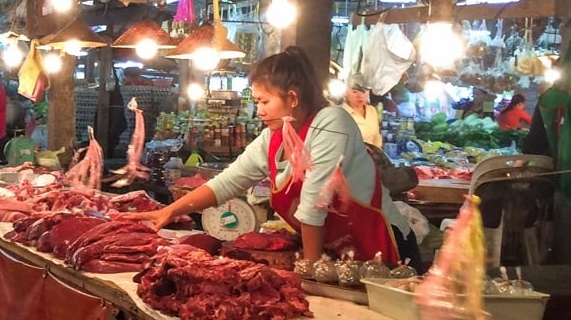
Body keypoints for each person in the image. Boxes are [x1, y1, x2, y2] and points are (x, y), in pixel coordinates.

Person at [145, 47, 420, 269]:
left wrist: (310, 272)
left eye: (264, 102)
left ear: (292, 98)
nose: (260, 111)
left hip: (385, 253)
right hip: (339, 258)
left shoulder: (331, 123)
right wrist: (168, 212)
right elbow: (228, 182)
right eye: (256, 103)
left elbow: (315, 202)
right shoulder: (274, 137)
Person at [343, 80, 382, 147]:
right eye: (354, 92)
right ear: (346, 92)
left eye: (363, 92)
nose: (360, 96)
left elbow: (376, 137)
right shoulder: (341, 114)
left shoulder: (371, 110)